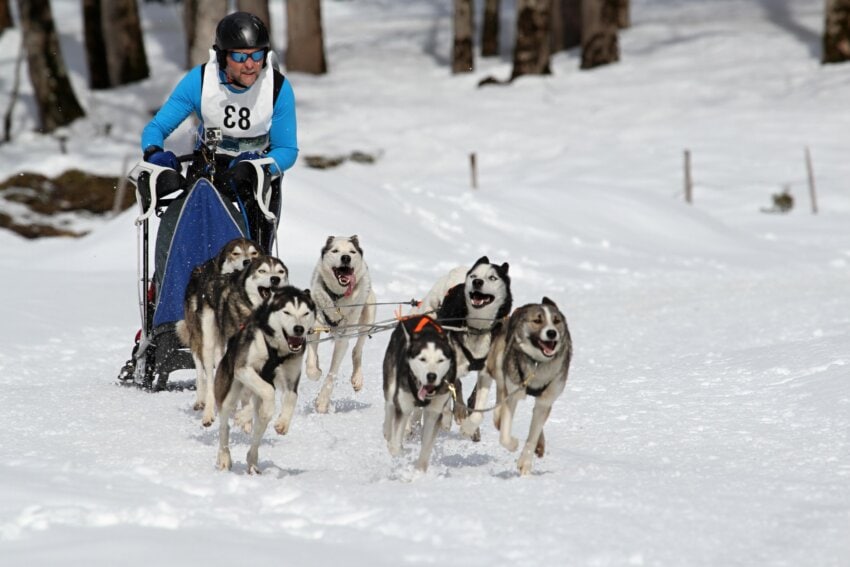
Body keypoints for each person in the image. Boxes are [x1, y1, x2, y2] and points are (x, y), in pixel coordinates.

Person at [141, 11, 298, 250]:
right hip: (210, 165)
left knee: (256, 253)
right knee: (195, 243)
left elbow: (287, 149)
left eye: (258, 55)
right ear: (223, 56)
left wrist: (261, 166)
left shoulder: (278, 87)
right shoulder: (200, 80)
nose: (250, 65)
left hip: (256, 170)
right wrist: (155, 154)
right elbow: (156, 128)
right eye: (240, 56)